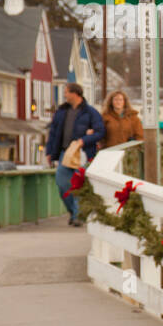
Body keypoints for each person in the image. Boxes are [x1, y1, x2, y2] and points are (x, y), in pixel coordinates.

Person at [45, 83, 105, 226]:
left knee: (79, 185)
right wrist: (49, 152)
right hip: (64, 153)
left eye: (66, 92)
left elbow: (100, 132)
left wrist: (84, 140)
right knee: (62, 184)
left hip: (82, 154)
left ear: (75, 94)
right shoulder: (61, 112)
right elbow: (53, 133)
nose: (64, 95)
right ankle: (73, 211)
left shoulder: (90, 112)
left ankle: (78, 216)